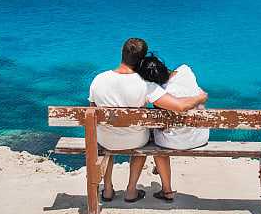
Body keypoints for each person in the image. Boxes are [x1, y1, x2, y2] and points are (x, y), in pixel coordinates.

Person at [88, 38, 207, 203]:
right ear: (142, 59)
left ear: (122, 53)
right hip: (135, 141)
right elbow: (179, 106)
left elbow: (93, 109)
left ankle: (107, 190)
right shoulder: (145, 85)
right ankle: (131, 190)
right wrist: (200, 97)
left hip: (106, 139)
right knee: (147, 139)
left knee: (107, 141)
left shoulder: (98, 80)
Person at [137, 54, 208, 202]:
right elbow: (197, 92)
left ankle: (167, 191)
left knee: (156, 146)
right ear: (161, 63)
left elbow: (162, 127)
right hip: (200, 137)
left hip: (174, 142)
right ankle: (160, 171)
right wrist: (201, 97)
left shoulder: (160, 94)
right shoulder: (186, 70)